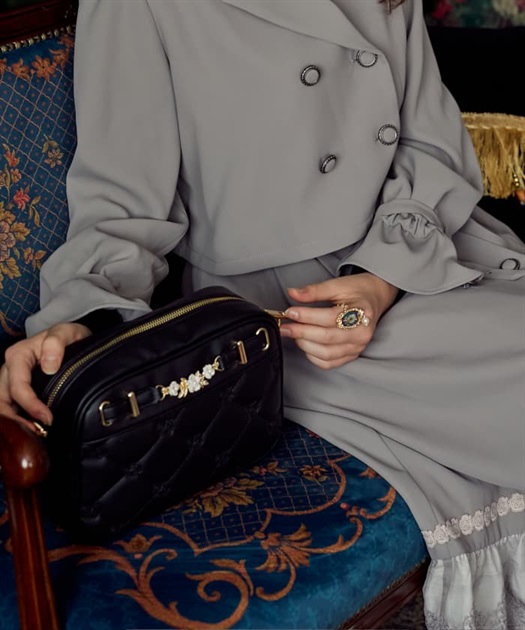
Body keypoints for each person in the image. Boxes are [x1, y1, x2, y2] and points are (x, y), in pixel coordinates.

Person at [1, 0, 524, 626]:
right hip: (286, 314)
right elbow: (120, 209)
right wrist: (82, 324)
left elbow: (430, 147)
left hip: (414, 256)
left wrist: (379, 282)